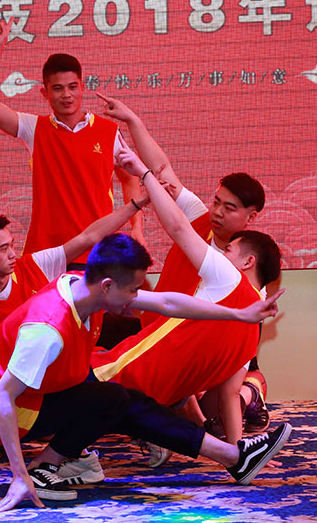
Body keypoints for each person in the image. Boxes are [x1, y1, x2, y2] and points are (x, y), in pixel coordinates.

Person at [0, 233, 291, 511]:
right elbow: (1, 396)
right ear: (108, 286)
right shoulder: (47, 329)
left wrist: (239, 314)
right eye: (133, 290)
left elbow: (168, 303)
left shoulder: (85, 286)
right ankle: (41, 468)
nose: (136, 298)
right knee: (113, 399)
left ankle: (233, 457)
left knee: (123, 400)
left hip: (44, 388)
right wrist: (19, 476)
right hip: (7, 408)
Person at [96, 94, 274, 438]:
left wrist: (230, 439)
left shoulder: (248, 276)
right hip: (161, 337)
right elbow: (163, 170)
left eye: (230, 208)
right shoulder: (199, 217)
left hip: (200, 358)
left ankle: (245, 402)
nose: (218, 212)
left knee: (245, 382)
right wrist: (133, 121)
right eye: (217, 202)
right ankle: (183, 420)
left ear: (250, 217)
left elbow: (221, 356)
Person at [0, 195, 146, 462]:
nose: (13, 254)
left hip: (56, 381)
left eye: (12, 245)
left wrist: (136, 205)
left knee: (112, 381)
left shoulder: (34, 266)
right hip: (15, 395)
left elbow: (89, 237)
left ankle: (137, 432)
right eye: (3, 249)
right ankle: (14, 440)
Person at [0, 19, 142, 265]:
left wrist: (136, 227)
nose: (67, 95)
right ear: (45, 93)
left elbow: (130, 180)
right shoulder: (34, 128)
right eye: (58, 89)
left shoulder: (109, 131)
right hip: (46, 254)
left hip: (96, 255)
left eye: (73, 87)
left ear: (82, 87)